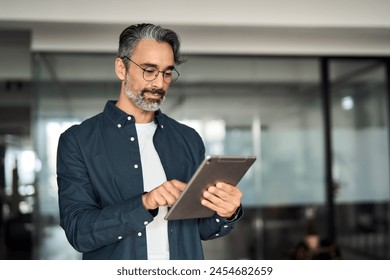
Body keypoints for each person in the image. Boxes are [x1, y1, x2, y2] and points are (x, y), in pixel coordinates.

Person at [56, 23, 243, 260]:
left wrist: (226, 211)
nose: (159, 83)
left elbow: (201, 228)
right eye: (149, 70)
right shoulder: (78, 141)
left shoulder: (188, 139)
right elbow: (79, 232)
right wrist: (146, 202)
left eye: (167, 73)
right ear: (121, 68)